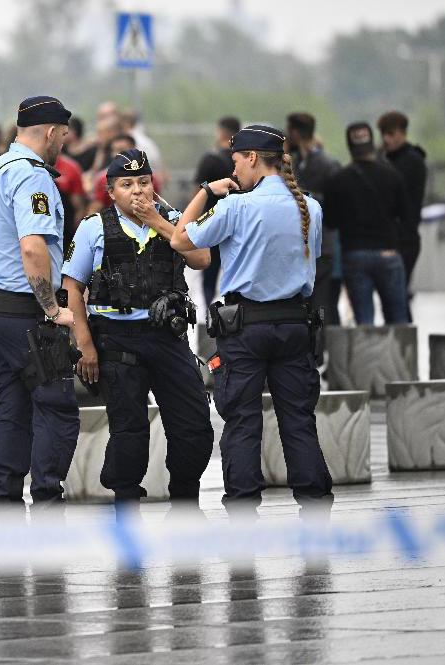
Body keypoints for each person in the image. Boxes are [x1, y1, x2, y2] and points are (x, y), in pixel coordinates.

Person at [171, 124, 332, 519]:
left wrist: (207, 191)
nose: (236, 168)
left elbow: (180, 239)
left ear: (253, 158)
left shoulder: (235, 206)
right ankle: (315, 508)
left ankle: (243, 512)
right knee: (298, 419)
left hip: (245, 329)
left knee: (242, 422)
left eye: (237, 160)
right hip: (296, 325)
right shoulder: (309, 207)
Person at [62, 148, 215, 519]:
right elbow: (72, 287)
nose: (137, 191)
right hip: (116, 340)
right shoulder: (93, 227)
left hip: (168, 338)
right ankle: (126, 505)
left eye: (143, 182)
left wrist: (160, 222)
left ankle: (184, 501)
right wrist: (85, 347)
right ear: (110, 192)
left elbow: (201, 258)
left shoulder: (174, 220)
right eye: (126, 184)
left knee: (193, 423)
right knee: (129, 431)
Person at [0, 95, 79, 514]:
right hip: (21, 312)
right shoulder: (33, 178)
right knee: (56, 405)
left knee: (11, 404)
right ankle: (48, 498)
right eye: (62, 135)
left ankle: (5, 496)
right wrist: (52, 308)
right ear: (50, 132)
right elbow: (32, 249)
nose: (63, 143)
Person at [323, 122, 411, 326]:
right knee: (398, 319)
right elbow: (405, 215)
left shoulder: (338, 180)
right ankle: (399, 358)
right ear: (372, 143)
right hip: (388, 252)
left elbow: (331, 221)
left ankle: (368, 358)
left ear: (349, 146)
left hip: (355, 254)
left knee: (364, 321)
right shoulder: (392, 176)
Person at [287, 112, 342, 326]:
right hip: (309, 245)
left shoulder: (325, 164)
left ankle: (318, 351)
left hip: (320, 246)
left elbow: (335, 206)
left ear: (295, 132)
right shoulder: (299, 161)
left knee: (322, 304)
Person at [378, 111, 427, 319]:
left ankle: (405, 344)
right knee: (394, 298)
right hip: (390, 237)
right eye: (383, 134)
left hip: (404, 238)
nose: (386, 139)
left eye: (390, 134)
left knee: (398, 297)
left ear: (402, 133)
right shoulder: (386, 158)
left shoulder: (412, 161)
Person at [193, 116, 241, 307]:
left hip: (211, 220)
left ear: (221, 131)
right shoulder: (243, 159)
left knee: (210, 271)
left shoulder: (211, 159)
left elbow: (200, 188)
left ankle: (208, 308)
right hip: (237, 221)